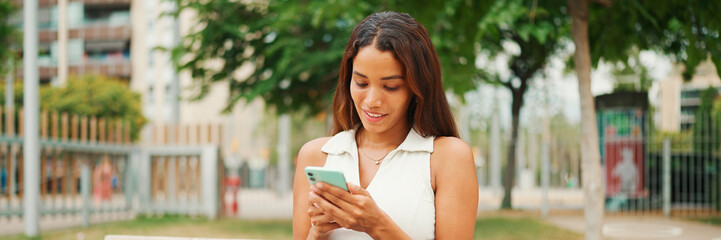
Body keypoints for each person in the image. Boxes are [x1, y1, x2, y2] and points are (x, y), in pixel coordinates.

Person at [292, 11, 478, 239]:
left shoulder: (448, 158)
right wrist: (318, 232)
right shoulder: (316, 156)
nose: (372, 101)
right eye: (361, 83)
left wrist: (376, 225)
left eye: (390, 87)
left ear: (417, 87)